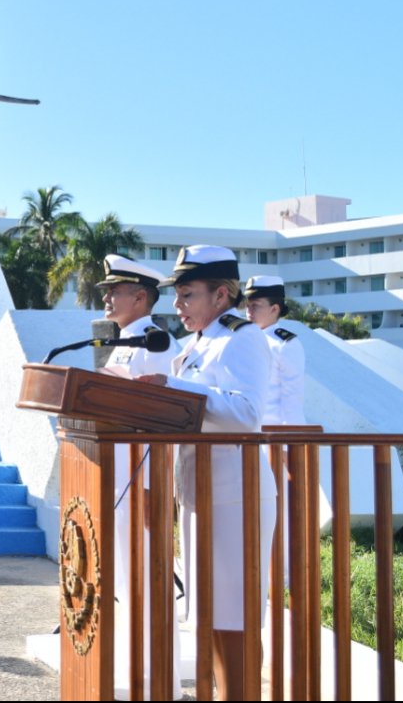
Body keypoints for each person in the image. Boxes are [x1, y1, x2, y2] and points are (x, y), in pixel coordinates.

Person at [134, 245, 277, 702]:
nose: (177, 305)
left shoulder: (242, 337)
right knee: (209, 614)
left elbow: (246, 414)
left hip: (237, 496)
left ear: (221, 294)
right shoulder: (199, 344)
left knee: (233, 616)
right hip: (200, 494)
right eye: (176, 295)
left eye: (187, 294)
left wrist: (171, 388)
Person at [94, 254, 181, 699]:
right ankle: (138, 673)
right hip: (116, 473)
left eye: (115, 290)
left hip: (141, 477)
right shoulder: (123, 340)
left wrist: (151, 487)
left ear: (141, 296)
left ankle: (157, 680)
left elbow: (159, 417)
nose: (106, 296)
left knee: (146, 579)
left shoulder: (156, 342)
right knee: (127, 580)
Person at [243, 275, 306, 426]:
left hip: (272, 440)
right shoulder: (241, 340)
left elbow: (292, 401)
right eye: (247, 305)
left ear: (274, 309)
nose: (249, 311)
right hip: (242, 436)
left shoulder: (285, 345)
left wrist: (289, 446)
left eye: (255, 305)